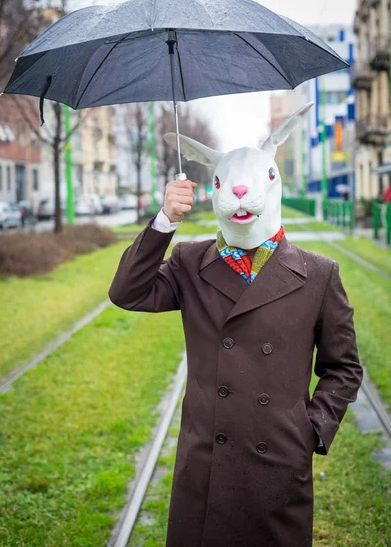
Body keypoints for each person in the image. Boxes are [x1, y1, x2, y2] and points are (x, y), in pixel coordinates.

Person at [109, 104, 363, 547]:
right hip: (206, 464)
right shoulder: (190, 261)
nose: (240, 194)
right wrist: (165, 221)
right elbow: (127, 293)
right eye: (224, 184)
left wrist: (311, 431)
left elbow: (344, 368)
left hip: (278, 465)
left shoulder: (320, 274)